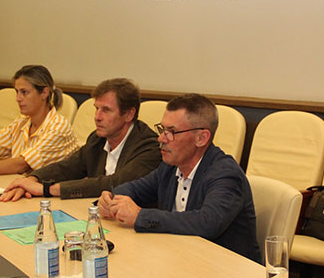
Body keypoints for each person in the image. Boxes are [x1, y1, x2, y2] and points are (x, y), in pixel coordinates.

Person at [98, 93, 260, 262]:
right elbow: (136, 188)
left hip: (225, 268)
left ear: (201, 138)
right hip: (180, 258)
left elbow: (207, 223)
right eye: (162, 129)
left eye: (171, 132)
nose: (161, 138)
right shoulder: (170, 166)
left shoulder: (225, 174)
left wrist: (139, 215)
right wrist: (111, 198)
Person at [0, 78, 162, 200]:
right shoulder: (98, 139)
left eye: (106, 110)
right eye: (96, 108)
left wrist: (46, 189)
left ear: (129, 114)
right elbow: (69, 166)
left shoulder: (149, 147)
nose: (97, 117)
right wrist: (31, 180)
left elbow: (114, 183)